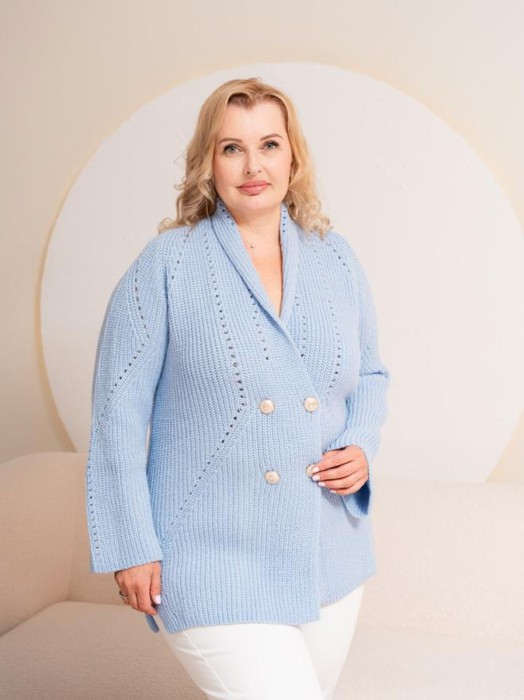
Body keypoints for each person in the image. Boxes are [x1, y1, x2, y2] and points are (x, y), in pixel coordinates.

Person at [86, 76, 391, 700]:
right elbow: (117, 416)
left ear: (293, 157)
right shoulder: (165, 265)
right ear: (208, 161)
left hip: (328, 554)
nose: (254, 166)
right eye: (232, 148)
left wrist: (361, 444)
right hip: (208, 558)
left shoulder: (335, 258)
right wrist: (130, 545)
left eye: (269, 145)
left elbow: (371, 375)